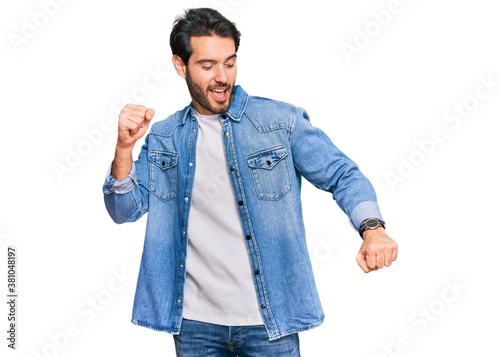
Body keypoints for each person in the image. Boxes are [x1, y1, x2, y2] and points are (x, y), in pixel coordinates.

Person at [102, 7, 398, 357]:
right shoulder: (166, 136)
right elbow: (124, 211)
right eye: (207, 65)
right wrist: (124, 147)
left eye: (229, 62)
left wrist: (372, 227)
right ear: (181, 66)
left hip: (269, 321)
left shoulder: (280, 122)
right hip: (195, 324)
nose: (222, 76)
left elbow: (342, 173)